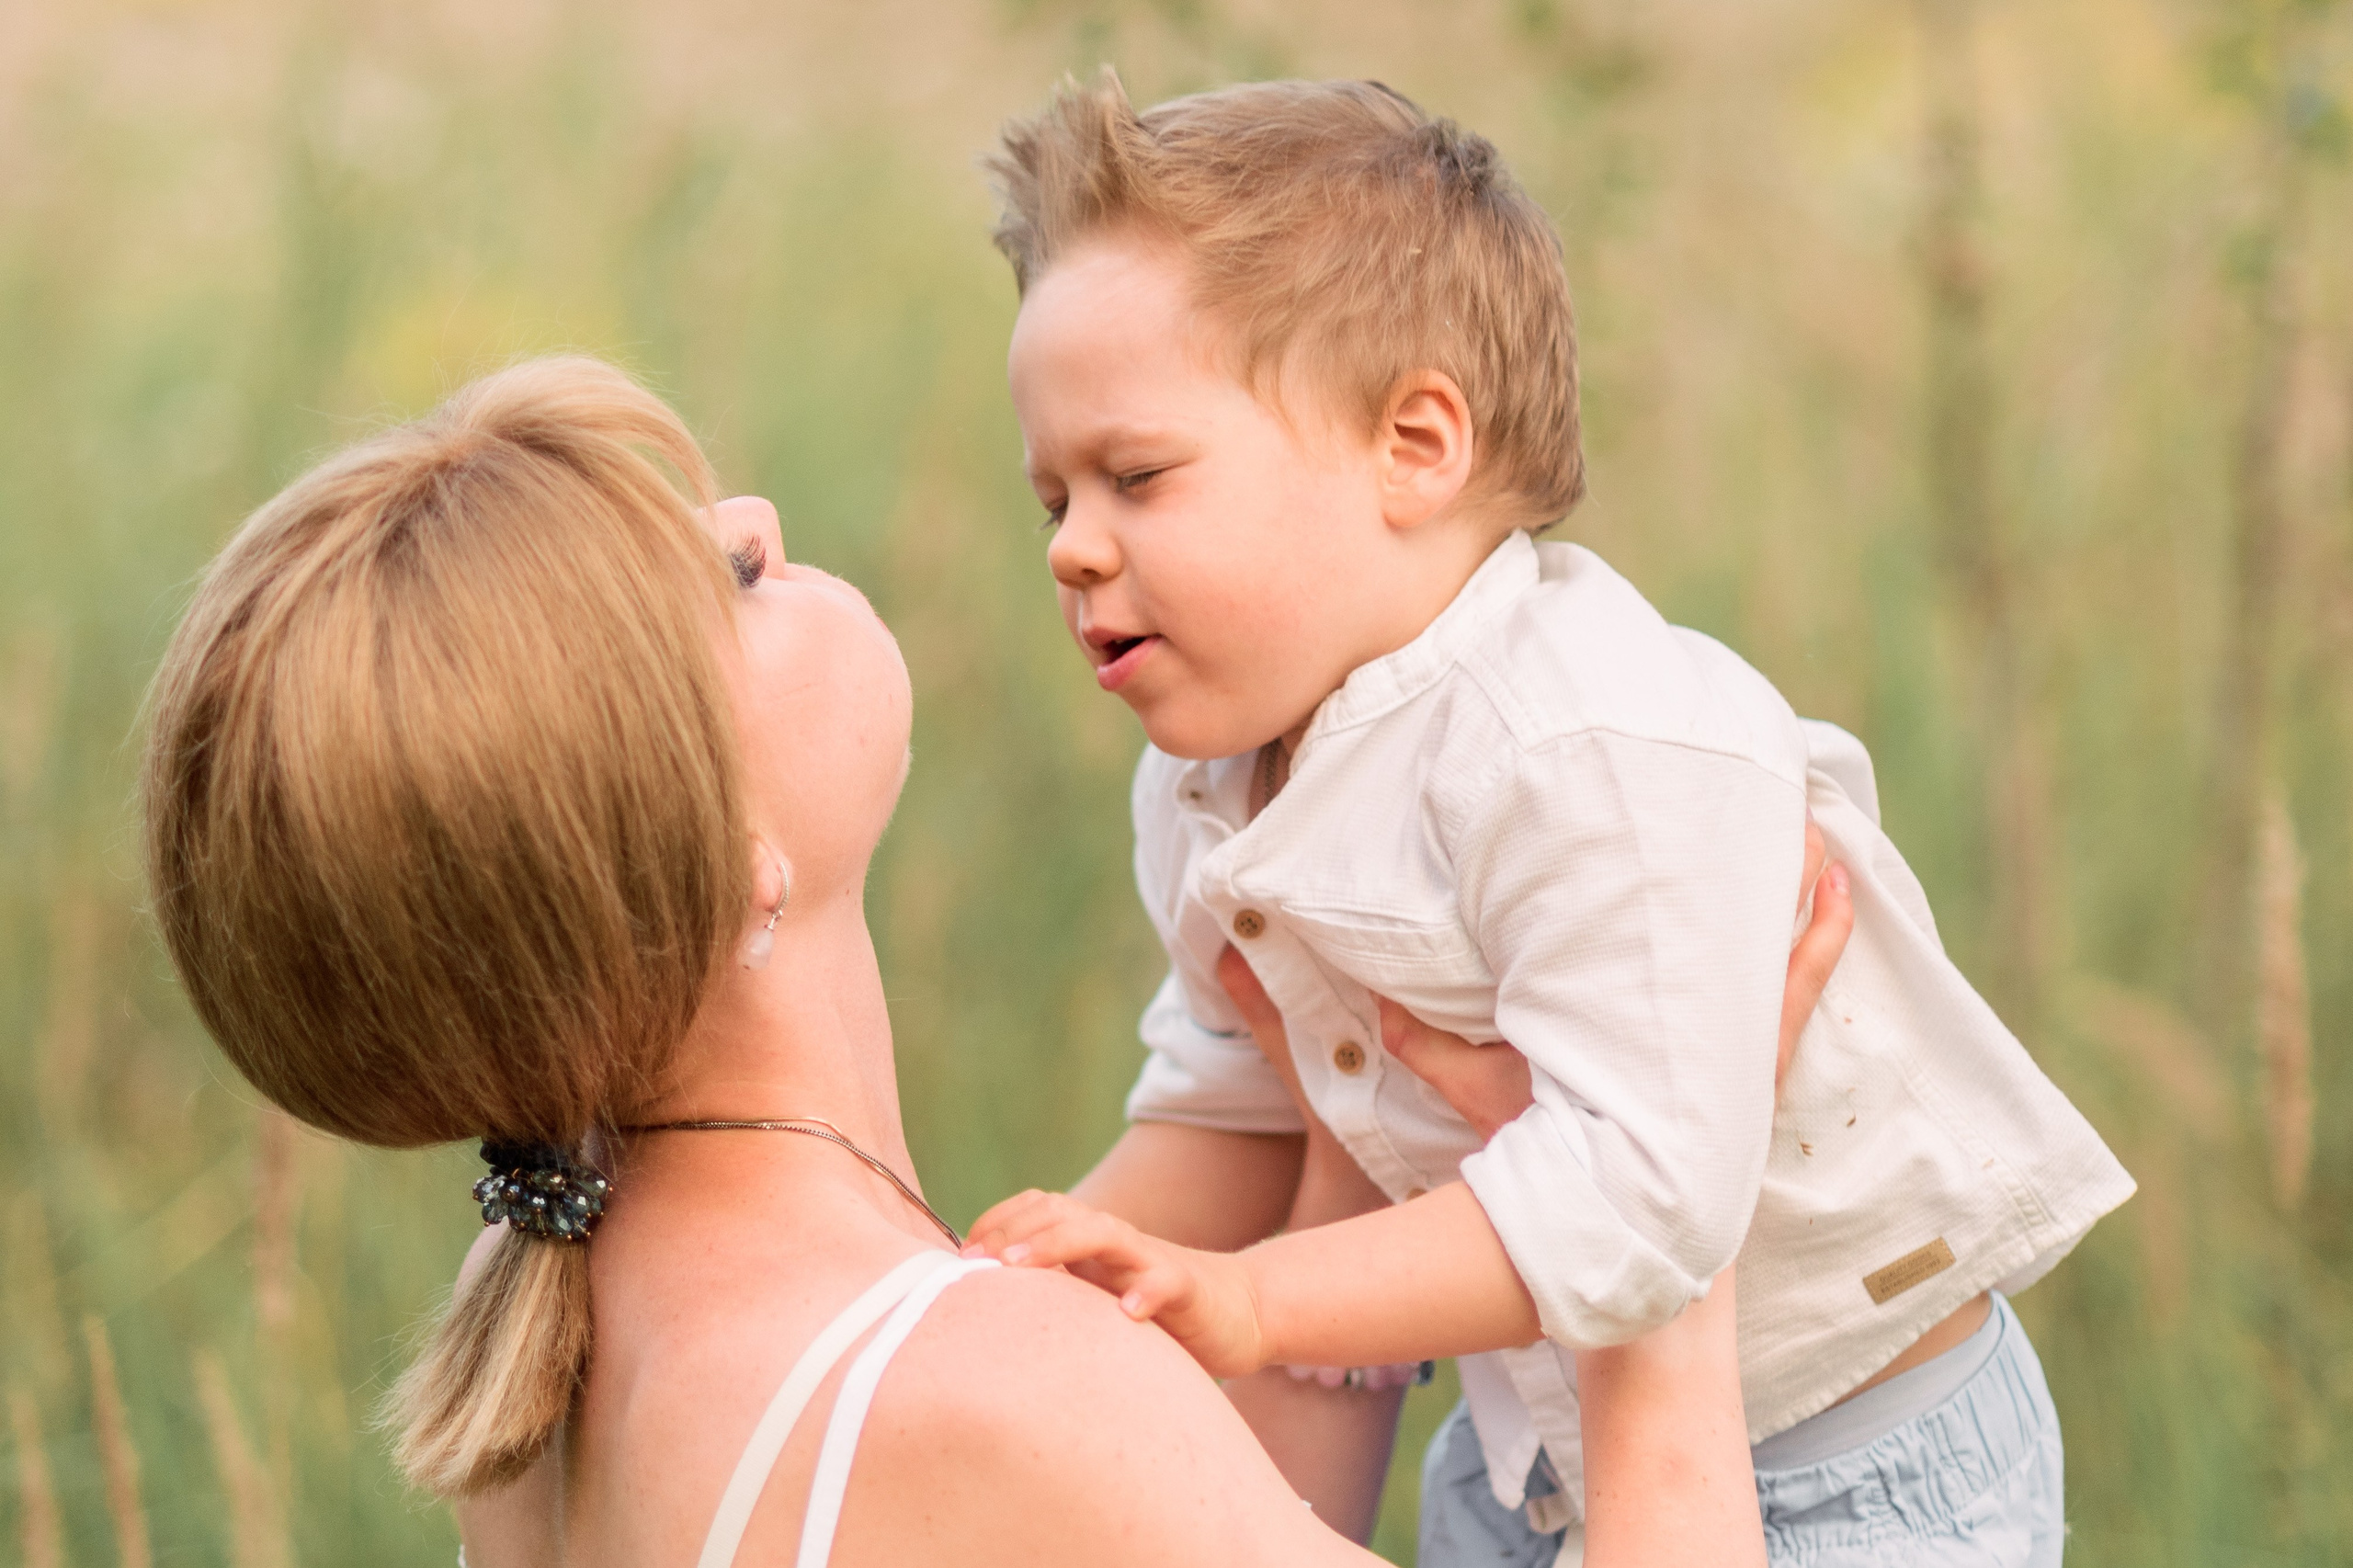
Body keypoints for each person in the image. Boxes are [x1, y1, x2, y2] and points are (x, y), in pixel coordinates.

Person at [139, 356, 1851, 1568]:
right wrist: (1655, 1222)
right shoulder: (975, 1385)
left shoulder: (540, 1365)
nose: (757, 513)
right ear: (730, 874)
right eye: (728, 581)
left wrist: (1339, 1135)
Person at [968, 73, 2135, 1567]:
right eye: (1052, 497)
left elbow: (1637, 1196)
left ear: (1416, 445)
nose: (1074, 548)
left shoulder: (1589, 747)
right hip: (1527, 1452)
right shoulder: (1208, 780)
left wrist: (1253, 1298)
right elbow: (1230, 1104)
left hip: (1854, 1454)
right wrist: (1006, 1292)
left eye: (1136, 476)